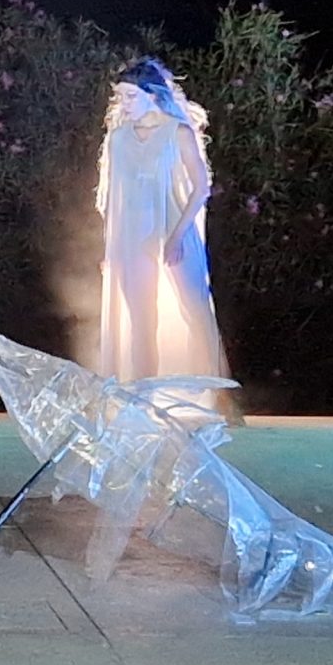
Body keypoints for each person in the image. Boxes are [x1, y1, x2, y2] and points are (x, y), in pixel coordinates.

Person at [95, 57, 236, 414]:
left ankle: (221, 397)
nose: (124, 104)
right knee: (141, 320)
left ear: (152, 95)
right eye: (120, 97)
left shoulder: (178, 132)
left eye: (130, 96)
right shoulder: (119, 138)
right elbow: (114, 196)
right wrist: (110, 249)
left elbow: (201, 188)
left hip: (175, 229)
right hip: (132, 237)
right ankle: (143, 399)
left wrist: (175, 236)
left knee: (196, 311)